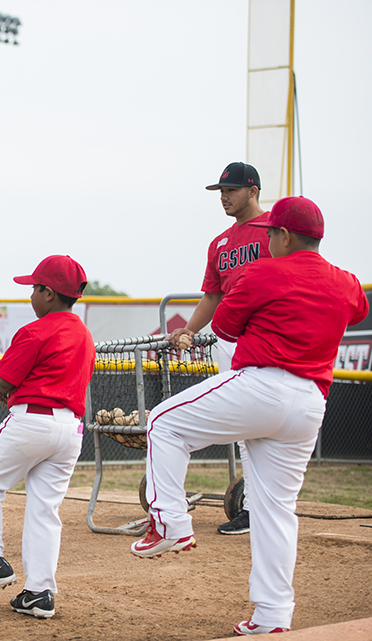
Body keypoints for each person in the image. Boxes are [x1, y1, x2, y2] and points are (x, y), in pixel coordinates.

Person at [132, 197, 368, 635]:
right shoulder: (347, 282)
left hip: (262, 386)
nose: (268, 240)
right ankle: (272, 617)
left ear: (283, 235)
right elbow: (358, 310)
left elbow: (223, 328)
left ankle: (171, 523)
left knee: (164, 421)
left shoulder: (261, 272)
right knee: (275, 509)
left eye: (271, 234)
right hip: (310, 403)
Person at [0, 255, 95, 619]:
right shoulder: (84, 334)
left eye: (35, 288)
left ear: (49, 293)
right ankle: (39, 592)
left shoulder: (36, 330)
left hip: (32, 421)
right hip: (70, 431)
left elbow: (3, 382)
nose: (31, 295)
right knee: (44, 510)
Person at [168, 162, 271, 537]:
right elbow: (212, 295)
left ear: (253, 190)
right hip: (231, 340)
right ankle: (255, 507)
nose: (224, 197)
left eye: (230, 190)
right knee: (247, 427)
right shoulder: (221, 243)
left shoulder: (276, 231)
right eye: (221, 191)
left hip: (268, 337)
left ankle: (260, 506)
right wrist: (189, 329)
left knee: (264, 424)